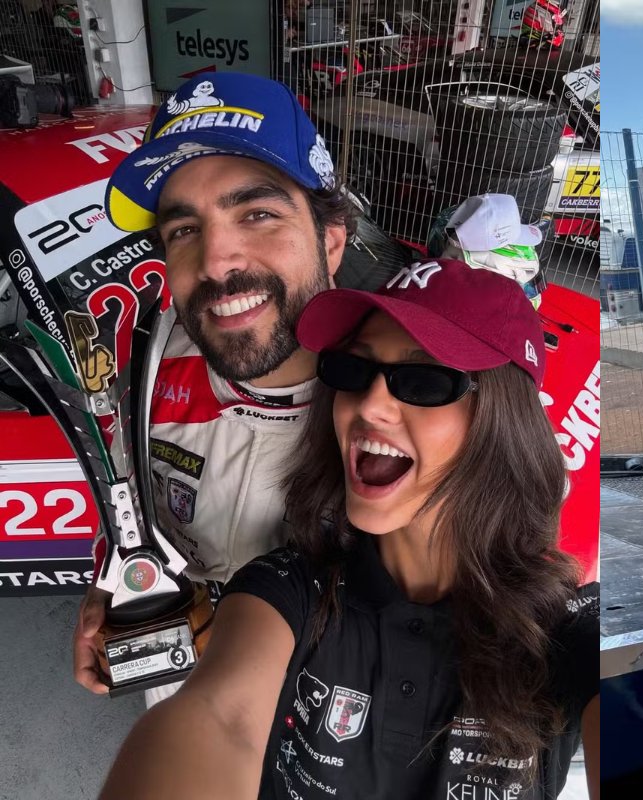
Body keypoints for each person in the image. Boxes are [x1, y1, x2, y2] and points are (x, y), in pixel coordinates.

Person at [97, 257, 600, 800]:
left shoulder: (566, 631)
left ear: (505, 422)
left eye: (424, 380)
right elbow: (222, 716)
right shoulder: (288, 589)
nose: (370, 404)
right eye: (353, 371)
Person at [74, 71, 354, 705]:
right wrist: (118, 586)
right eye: (183, 230)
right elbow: (129, 502)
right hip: (179, 689)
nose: (217, 261)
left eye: (256, 213)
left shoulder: (403, 395)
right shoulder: (144, 351)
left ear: (330, 241)